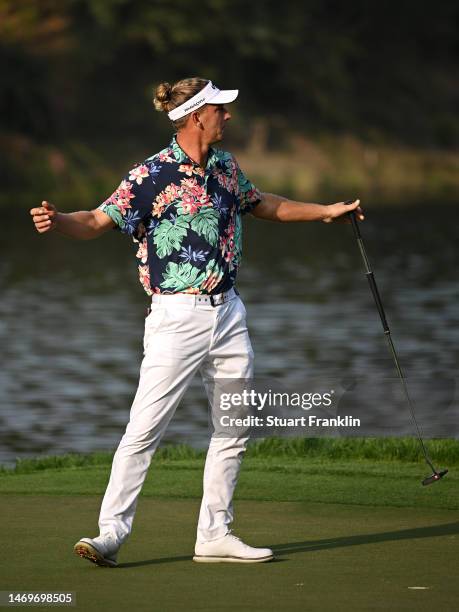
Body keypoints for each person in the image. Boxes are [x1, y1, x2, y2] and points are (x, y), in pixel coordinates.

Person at [30, 77, 364, 566]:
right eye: (220, 110)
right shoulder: (151, 174)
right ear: (195, 117)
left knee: (234, 425)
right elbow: (98, 220)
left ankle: (214, 534)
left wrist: (326, 211)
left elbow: (264, 204)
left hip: (229, 311)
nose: (228, 116)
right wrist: (58, 221)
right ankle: (110, 534)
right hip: (176, 316)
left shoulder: (226, 167)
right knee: (144, 428)